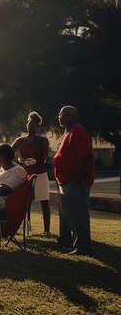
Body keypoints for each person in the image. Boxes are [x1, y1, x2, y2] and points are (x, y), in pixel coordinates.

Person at [53, 105, 94, 256]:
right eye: (60, 113)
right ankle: (68, 243)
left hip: (75, 181)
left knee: (78, 215)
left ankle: (83, 248)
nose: (61, 116)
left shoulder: (78, 131)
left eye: (66, 114)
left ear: (75, 116)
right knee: (68, 215)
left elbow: (86, 157)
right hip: (65, 181)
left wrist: (77, 179)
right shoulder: (67, 132)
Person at [12, 111, 51, 236]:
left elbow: (45, 157)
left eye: (33, 125)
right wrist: (20, 161)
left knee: (44, 201)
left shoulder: (43, 140)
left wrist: (38, 160)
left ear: (38, 127)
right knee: (26, 202)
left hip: (40, 173)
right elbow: (8, 153)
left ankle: (46, 230)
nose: (30, 127)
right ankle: (27, 229)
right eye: (28, 124)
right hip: (25, 174)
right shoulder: (20, 140)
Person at [0, 144, 27, 212]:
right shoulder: (1, 167)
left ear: (1, 155)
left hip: (3, 201)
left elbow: (5, 189)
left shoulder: (18, 171)